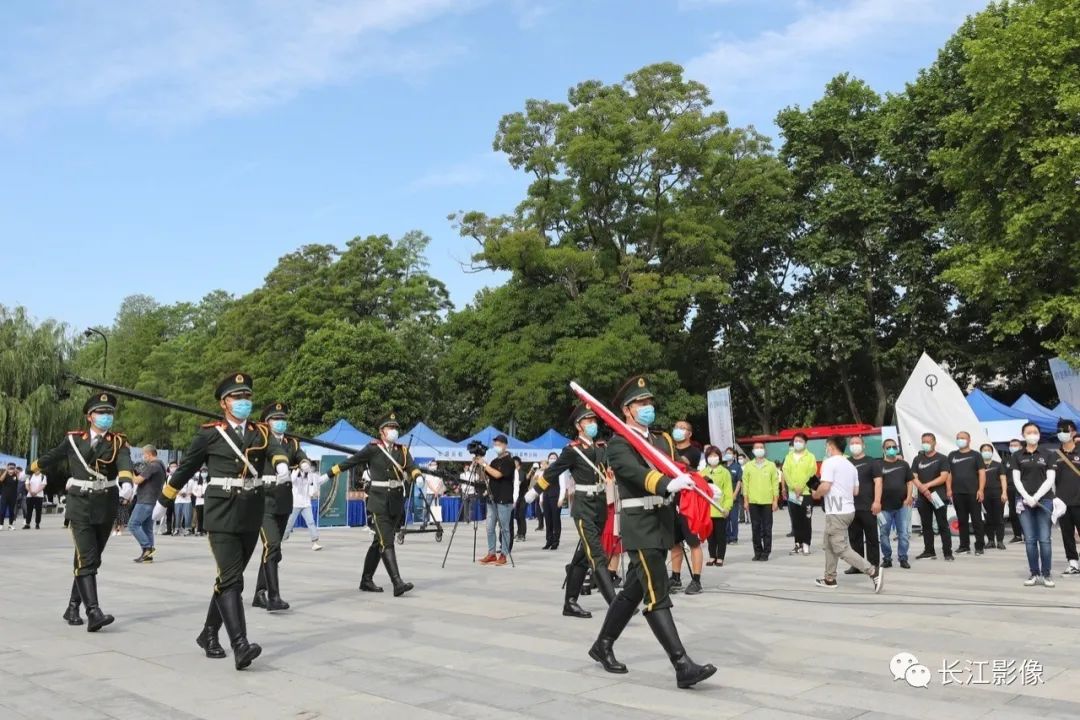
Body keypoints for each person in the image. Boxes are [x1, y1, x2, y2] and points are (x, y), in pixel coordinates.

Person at [587, 375, 716, 689]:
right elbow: (635, 473)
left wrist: (703, 485)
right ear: (628, 410)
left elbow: (676, 469)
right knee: (656, 592)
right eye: (642, 404)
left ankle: (602, 645)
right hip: (640, 524)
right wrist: (664, 484)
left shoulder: (659, 441)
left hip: (662, 521)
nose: (648, 408)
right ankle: (682, 664)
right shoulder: (618, 443)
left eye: (650, 403)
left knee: (633, 590)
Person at [155, 372, 291, 669]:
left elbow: (276, 449)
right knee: (233, 580)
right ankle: (240, 645)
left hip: (251, 514)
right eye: (237, 397)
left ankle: (208, 634)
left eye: (247, 397)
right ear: (224, 402)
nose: (244, 402)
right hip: (220, 513)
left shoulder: (261, 432)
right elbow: (186, 469)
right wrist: (164, 500)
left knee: (227, 579)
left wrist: (281, 464)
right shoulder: (209, 434)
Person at [31, 392, 134, 631]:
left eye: (109, 413)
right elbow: (54, 455)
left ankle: (72, 606)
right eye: (101, 413)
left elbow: (124, 462)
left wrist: (127, 481)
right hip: (80, 504)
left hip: (106, 504)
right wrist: (33, 466)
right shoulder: (74, 439)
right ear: (90, 416)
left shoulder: (117, 441)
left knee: (90, 559)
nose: (106, 417)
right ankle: (93, 612)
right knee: (87, 558)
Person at [527, 406, 615, 616]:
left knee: (583, 557)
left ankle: (570, 603)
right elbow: (553, 471)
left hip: (600, 504)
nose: (592, 424)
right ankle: (617, 604)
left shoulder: (602, 446)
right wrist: (534, 491)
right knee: (596, 553)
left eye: (594, 420)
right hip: (583, 506)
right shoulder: (572, 450)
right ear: (578, 426)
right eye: (588, 421)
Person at [324, 412, 422, 596]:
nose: (394, 431)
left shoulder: (402, 450)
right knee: (386, 541)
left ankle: (366, 580)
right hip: (378, 501)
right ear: (381, 431)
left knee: (378, 542)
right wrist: (328, 474)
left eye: (395, 428)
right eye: (390, 428)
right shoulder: (373, 449)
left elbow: (411, 466)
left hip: (395, 501)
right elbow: (350, 462)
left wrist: (418, 476)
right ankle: (397, 583)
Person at [253, 402, 311, 613]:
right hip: (263, 498)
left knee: (273, 548)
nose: (280, 423)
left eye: (283, 419)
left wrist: (304, 462)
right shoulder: (260, 440)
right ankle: (273, 597)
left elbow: (300, 455)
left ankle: (259, 593)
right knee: (273, 545)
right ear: (266, 422)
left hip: (284, 500)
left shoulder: (291, 443)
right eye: (276, 419)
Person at [811, 435, 884, 592]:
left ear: (830, 446)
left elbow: (825, 487)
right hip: (848, 510)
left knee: (841, 548)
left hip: (837, 512)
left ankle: (873, 571)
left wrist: (815, 493)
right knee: (829, 544)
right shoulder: (850, 465)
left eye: (826, 446)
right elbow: (855, 491)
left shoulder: (829, 463)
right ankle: (829, 578)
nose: (826, 449)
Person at [1012, 422, 1056, 586]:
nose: (1032, 434)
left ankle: (1046, 574)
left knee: (1044, 538)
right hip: (1023, 501)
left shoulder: (1048, 454)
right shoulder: (1017, 455)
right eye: (1028, 432)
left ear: (1039, 434)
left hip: (1044, 499)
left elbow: (1050, 479)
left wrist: (1036, 496)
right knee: (1030, 539)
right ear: (1023, 435)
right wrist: (1026, 497)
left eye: (1035, 432)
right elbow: (1016, 480)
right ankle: (1034, 573)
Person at [669, 420, 704, 593]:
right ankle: (675, 577)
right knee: (675, 541)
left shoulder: (694, 452)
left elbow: (680, 463)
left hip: (688, 501)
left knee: (693, 542)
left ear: (689, 433)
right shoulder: (668, 450)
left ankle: (696, 580)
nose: (678, 430)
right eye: (676, 427)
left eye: (682, 428)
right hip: (671, 499)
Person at [913, 433, 953, 561]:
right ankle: (929, 550)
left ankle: (947, 552)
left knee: (942, 524)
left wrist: (927, 486)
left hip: (938, 496)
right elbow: (914, 476)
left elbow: (944, 476)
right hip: (923, 497)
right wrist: (922, 489)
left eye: (928, 441)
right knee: (926, 525)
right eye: (923, 441)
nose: (926, 443)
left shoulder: (942, 458)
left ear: (934, 442)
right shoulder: (917, 459)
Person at [844, 436, 882, 574]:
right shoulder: (846, 463)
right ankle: (857, 565)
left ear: (863, 446)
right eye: (852, 443)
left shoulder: (872, 462)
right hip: (851, 507)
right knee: (854, 538)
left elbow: (878, 482)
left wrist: (877, 501)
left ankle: (874, 565)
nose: (855, 445)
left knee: (872, 537)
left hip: (868, 506)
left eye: (857, 443)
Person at [477, 435, 515, 566]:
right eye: (495, 444)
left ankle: (504, 554)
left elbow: (498, 475)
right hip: (492, 498)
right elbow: (486, 476)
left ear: (505, 445)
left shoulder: (509, 461)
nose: (496, 446)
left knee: (504, 528)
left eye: (499, 444)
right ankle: (491, 553)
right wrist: (479, 466)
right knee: (489, 527)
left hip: (504, 499)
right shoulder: (493, 461)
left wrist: (484, 464)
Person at [947, 431, 987, 555]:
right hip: (957, 493)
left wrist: (980, 490)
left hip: (973, 493)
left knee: (976, 520)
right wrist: (949, 489)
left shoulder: (976, 455)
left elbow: (982, 473)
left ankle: (979, 546)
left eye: (963, 438)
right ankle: (964, 545)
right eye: (958, 438)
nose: (960, 440)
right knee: (962, 520)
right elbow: (949, 474)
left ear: (969, 440)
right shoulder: (952, 455)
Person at [877, 438, 913, 569]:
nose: (891, 449)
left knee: (903, 533)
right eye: (888, 447)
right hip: (884, 507)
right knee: (883, 533)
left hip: (902, 505)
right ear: (883, 450)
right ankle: (887, 558)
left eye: (893, 446)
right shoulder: (878, 465)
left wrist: (909, 497)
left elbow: (909, 482)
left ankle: (903, 558)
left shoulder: (903, 464)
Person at [129, 445, 166, 563]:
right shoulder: (161, 466)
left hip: (146, 500)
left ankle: (147, 548)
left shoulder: (153, 466)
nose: (143, 457)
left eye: (144, 454)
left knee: (133, 524)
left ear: (149, 454)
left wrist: (130, 471)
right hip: (153, 500)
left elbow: (137, 480)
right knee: (147, 528)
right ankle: (147, 557)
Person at [742, 442, 779, 561]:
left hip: (767, 501)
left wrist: (775, 501)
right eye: (756, 448)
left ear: (764, 450)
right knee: (755, 527)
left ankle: (766, 552)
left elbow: (775, 484)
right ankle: (757, 551)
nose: (759, 449)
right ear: (753, 451)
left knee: (767, 528)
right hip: (753, 501)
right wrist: (746, 501)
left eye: (761, 447)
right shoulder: (748, 466)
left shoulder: (771, 465)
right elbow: (745, 485)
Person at [781, 432, 816, 556]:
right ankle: (798, 544)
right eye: (795, 441)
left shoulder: (810, 456)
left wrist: (801, 487)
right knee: (795, 520)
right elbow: (785, 471)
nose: (797, 443)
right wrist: (792, 486)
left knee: (806, 519)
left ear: (805, 443)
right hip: (792, 494)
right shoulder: (789, 456)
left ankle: (806, 544)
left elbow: (811, 472)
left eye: (800, 441)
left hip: (805, 493)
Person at [1053, 419, 1080, 576]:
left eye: (1065, 430)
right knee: (1067, 534)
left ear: (1073, 432)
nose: (1062, 433)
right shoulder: (1054, 455)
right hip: (1062, 502)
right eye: (1059, 430)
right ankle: (1072, 562)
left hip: (1079, 500)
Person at [701, 446, 733, 567]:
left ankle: (720, 557)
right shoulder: (703, 472)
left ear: (719, 457)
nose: (712, 458)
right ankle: (712, 556)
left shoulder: (724, 472)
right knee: (710, 536)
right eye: (710, 456)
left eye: (715, 456)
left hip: (720, 509)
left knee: (720, 535)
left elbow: (728, 492)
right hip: (707, 510)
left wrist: (727, 507)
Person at [283, 463, 325, 548]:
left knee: (311, 522)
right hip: (295, 504)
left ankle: (315, 543)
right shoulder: (295, 474)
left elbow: (313, 482)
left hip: (306, 504)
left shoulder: (309, 476)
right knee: (289, 524)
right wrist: (298, 469)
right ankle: (280, 542)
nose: (308, 468)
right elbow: (292, 479)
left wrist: (308, 471)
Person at [980, 444, 1008, 551]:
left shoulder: (998, 465)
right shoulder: (979, 466)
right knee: (988, 519)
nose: (986, 451)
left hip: (997, 493)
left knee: (999, 518)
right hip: (984, 494)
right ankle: (991, 541)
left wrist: (1004, 492)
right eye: (984, 450)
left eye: (988, 450)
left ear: (992, 452)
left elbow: (1003, 479)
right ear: (981, 452)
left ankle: (1000, 541)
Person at [1004, 438, 1024, 543]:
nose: (1013, 447)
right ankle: (1017, 535)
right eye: (1011, 445)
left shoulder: (1024, 457)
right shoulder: (1006, 460)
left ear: (1021, 446)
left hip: (1023, 489)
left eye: (1015, 445)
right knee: (1013, 512)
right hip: (1010, 489)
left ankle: (1028, 534)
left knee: (1024, 511)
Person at [540, 452, 562, 550]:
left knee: (555, 519)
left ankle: (555, 541)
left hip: (555, 497)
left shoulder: (560, 470)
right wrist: (541, 498)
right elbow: (541, 485)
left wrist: (561, 498)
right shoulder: (545, 471)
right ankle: (548, 540)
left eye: (554, 458)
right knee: (548, 519)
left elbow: (563, 485)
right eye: (551, 458)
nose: (552, 459)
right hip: (546, 496)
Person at [724, 448, 743, 544]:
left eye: (730, 453)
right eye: (726, 453)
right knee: (725, 519)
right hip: (724, 498)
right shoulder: (723, 466)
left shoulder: (737, 467)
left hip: (734, 497)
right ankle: (727, 537)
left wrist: (735, 493)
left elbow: (739, 481)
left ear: (734, 455)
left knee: (734, 519)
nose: (728, 455)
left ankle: (734, 537)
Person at [0, 463, 18, 529]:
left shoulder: (15, 475)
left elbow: (19, 479)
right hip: (5, 496)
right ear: (8, 468)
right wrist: (6, 470)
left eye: (12, 468)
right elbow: (1, 479)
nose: (11, 469)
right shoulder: (5, 474)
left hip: (13, 496)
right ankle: (1, 524)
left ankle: (10, 525)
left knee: (11, 511)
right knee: (2, 511)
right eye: (10, 468)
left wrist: (16, 471)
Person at [193, 469, 207, 535]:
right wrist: (198, 495)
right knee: (199, 517)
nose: (204, 473)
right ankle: (199, 530)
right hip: (198, 502)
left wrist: (205, 495)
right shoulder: (197, 482)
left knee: (205, 516)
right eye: (202, 472)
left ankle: (204, 530)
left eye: (205, 472)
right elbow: (193, 491)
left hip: (206, 502)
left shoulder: (208, 482)